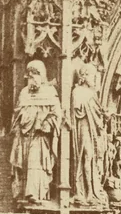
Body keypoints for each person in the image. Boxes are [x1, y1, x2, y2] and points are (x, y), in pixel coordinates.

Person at [10, 60, 61, 202]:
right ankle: (24, 192)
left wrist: (46, 123)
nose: (31, 78)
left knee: (35, 162)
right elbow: (17, 113)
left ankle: (34, 193)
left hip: (40, 137)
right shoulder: (24, 93)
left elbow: (57, 114)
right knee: (24, 163)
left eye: (34, 74)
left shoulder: (50, 92)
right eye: (29, 75)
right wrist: (27, 118)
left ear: (41, 75)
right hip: (25, 136)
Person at [70, 62, 109, 204]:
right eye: (93, 76)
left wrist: (104, 115)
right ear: (84, 76)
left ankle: (93, 189)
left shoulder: (93, 94)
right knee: (87, 155)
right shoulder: (78, 92)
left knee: (93, 158)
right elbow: (77, 111)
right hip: (83, 127)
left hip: (93, 130)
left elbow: (98, 114)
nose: (95, 79)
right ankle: (84, 191)